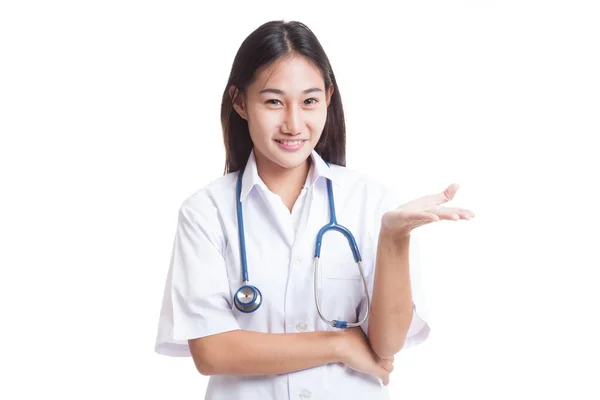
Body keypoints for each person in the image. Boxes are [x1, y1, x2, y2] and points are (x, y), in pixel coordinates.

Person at [154, 19, 474, 400]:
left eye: (309, 101)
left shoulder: (371, 201)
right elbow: (212, 352)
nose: (293, 123)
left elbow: (385, 346)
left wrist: (394, 237)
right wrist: (337, 344)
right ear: (240, 101)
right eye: (273, 101)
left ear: (328, 97)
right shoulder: (206, 212)